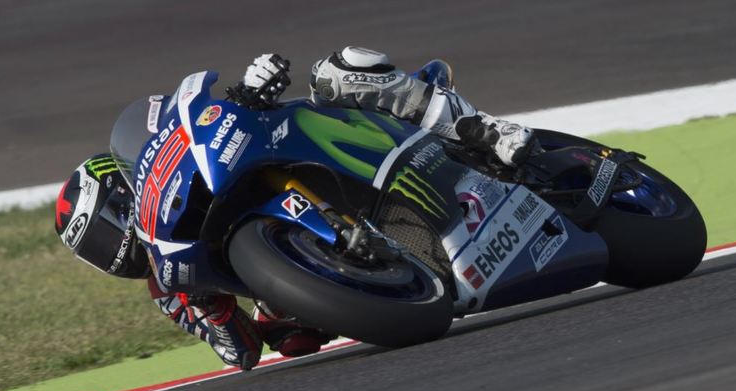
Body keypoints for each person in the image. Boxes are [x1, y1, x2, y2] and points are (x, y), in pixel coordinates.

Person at [55, 47, 540, 371]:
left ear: (122, 189)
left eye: (103, 229)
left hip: (331, 141)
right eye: (95, 251)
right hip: (341, 284)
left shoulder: (176, 167)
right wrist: (207, 307)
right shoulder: (168, 286)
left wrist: (250, 90)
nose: (111, 251)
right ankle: (375, 266)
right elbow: (240, 352)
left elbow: (217, 120)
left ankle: (484, 132)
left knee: (340, 69)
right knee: (286, 334)